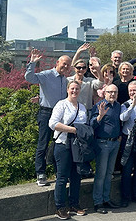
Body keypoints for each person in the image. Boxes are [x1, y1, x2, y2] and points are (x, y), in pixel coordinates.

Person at [24, 50, 71, 187]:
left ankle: (59, 172)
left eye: (68, 65)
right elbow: (30, 78)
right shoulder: (47, 75)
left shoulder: (65, 79)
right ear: (57, 63)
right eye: (64, 64)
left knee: (58, 144)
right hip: (46, 113)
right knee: (43, 143)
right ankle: (41, 173)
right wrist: (32, 63)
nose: (66, 67)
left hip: (60, 114)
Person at [48, 81, 88, 219]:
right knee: (62, 177)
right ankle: (60, 207)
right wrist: (72, 130)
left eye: (77, 89)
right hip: (63, 144)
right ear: (67, 89)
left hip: (77, 146)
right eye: (72, 88)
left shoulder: (82, 107)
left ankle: (74, 204)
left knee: (76, 176)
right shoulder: (61, 104)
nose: (75, 91)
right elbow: (52, 123)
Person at [90, 84, 121, 213]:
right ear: (104, 93)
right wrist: (100, 116)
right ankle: (98, 202)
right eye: (109, 92)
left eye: (114, 92)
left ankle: (106, 198)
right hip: (103, 143)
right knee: (101, 174)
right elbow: (91, 124)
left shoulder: (118, 106)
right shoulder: (99, 106)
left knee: (109, 174)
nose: (112, 94)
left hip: (115, 143)